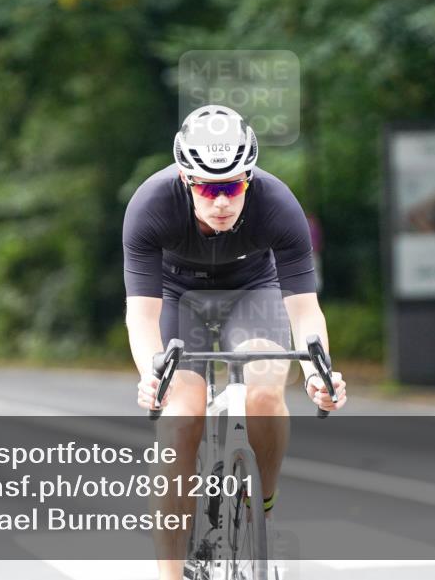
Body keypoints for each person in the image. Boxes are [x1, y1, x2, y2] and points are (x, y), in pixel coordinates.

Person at [123, 104, 347, 580]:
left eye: (234, 186)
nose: (222, 201)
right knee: (181, 418)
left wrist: (317, 374)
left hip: (252, 290)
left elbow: (304, 309)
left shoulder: (277, 202)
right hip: (177, 294)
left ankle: (261, 510)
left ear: (249, 178)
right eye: (208, 188)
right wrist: (151, 376)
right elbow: (142, 315)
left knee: (265, 394)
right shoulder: (151, 205)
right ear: (185, 179)